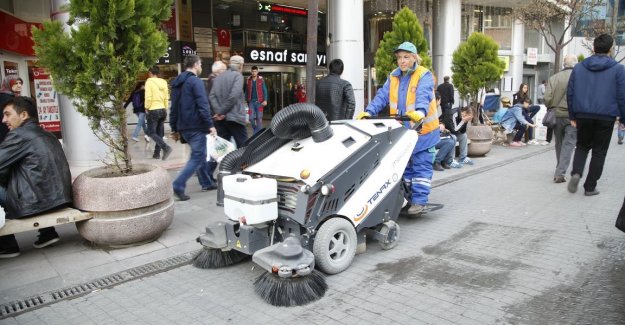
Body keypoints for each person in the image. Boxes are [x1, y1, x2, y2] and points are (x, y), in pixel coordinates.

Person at [357, 41, 439, 216]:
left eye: (406, 57)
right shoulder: (393, 77)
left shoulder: (424, 75)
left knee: (421, 166)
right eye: (399, 58)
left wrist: (420, 111)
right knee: (406, 167)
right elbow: (382, 96)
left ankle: (419, 201)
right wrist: (368, 112)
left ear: (414, 58)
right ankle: (409, 199)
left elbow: (423, 95)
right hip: (405, 131)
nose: (402, 61)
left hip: (424, 131)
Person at [0, 97, 72, 258]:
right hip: (60, 198)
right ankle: (48, 233)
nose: (4, 120)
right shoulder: (48, 134)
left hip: (35, 203)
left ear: (23, 115)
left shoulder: (18, 135)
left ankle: (7, 245)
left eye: (7, 114)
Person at [567, 34, 625, 196]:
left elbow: (570, 92)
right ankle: (590, 187)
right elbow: (622, 95)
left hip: (583, 114)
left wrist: (572, 115)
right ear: (611, 49)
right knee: (599, 151)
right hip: (606, 116)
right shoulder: (618, 69)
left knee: (583, 146)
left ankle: (576, 172)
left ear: (593, 48)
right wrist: (623, 118)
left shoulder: (579, 67)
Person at [169, 55, 217, 201]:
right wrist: (210, 125)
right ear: (196, 65)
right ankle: (178, 184)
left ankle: (206, 182)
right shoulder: (195, 82)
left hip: (184, 127)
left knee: (198, 154)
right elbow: (203, 105)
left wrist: (174, 127)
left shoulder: (177, 83)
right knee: (198, 156)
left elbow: (174, 107)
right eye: (200, 64)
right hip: (196, 125)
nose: (201, 67)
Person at [544, 54, 578, 183]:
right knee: (569, 144)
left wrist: (551, 106)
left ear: (564, 64)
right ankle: (560, 172)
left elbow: (547, 98)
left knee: (559, 143)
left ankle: (560, 168)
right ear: (576, 64)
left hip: (557, 115)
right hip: (573, 116)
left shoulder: (554, 78)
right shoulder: (579, 78)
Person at [209, 55, 248, 149]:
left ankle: (218, 164)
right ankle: (244, 164)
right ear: (240, 65)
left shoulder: (218, 78)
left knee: (221, 150)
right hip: (235, 118)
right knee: (244, 148)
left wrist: (219, 112)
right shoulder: (238, 76)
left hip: (222, 121)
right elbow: (233, 96)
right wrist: (222, 112)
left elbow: (212, 96)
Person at [204, 61, 228, 185]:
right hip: (217, 117)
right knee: (218, 148)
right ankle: (207, 174)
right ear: (218, 71)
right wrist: (219, 112)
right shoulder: (215, 81)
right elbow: (215, 98)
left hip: (216, 116)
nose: (226, 71)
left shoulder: (212, 80)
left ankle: (206, 173)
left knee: (219, 147)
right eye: (224, 69)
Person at [145, 66, 172, 160]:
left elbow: (148, 97)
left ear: (151, 73)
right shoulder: (164, 82)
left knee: (151, 132)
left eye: (149, 73)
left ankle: (166, 147)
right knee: (159, 133)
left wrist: (146, 107)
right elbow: (166, 97)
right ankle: (156, 154)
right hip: (163, 110)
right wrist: (165, 108)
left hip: (153, 109)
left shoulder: (149, 82)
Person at [245, 66, 268, 134]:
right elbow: (246, 91)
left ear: (257, 72)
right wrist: (245, 101)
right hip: (251, 103)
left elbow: (265, 90)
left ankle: (259, 133)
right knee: (251, 118)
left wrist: (265, 100)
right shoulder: (248, 80)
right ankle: (255, 129)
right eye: (253, 71)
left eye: (255, 71)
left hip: (260, 102)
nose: (254, 73)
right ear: (251, 72)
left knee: (259, 118)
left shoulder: (261, 79)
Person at [0, 75, 23, 143]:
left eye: (20, 83)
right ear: (8, 84)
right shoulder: (6, 98)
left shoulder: (12, 96)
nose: (19, 85)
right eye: (16, 83)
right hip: (6, 133)